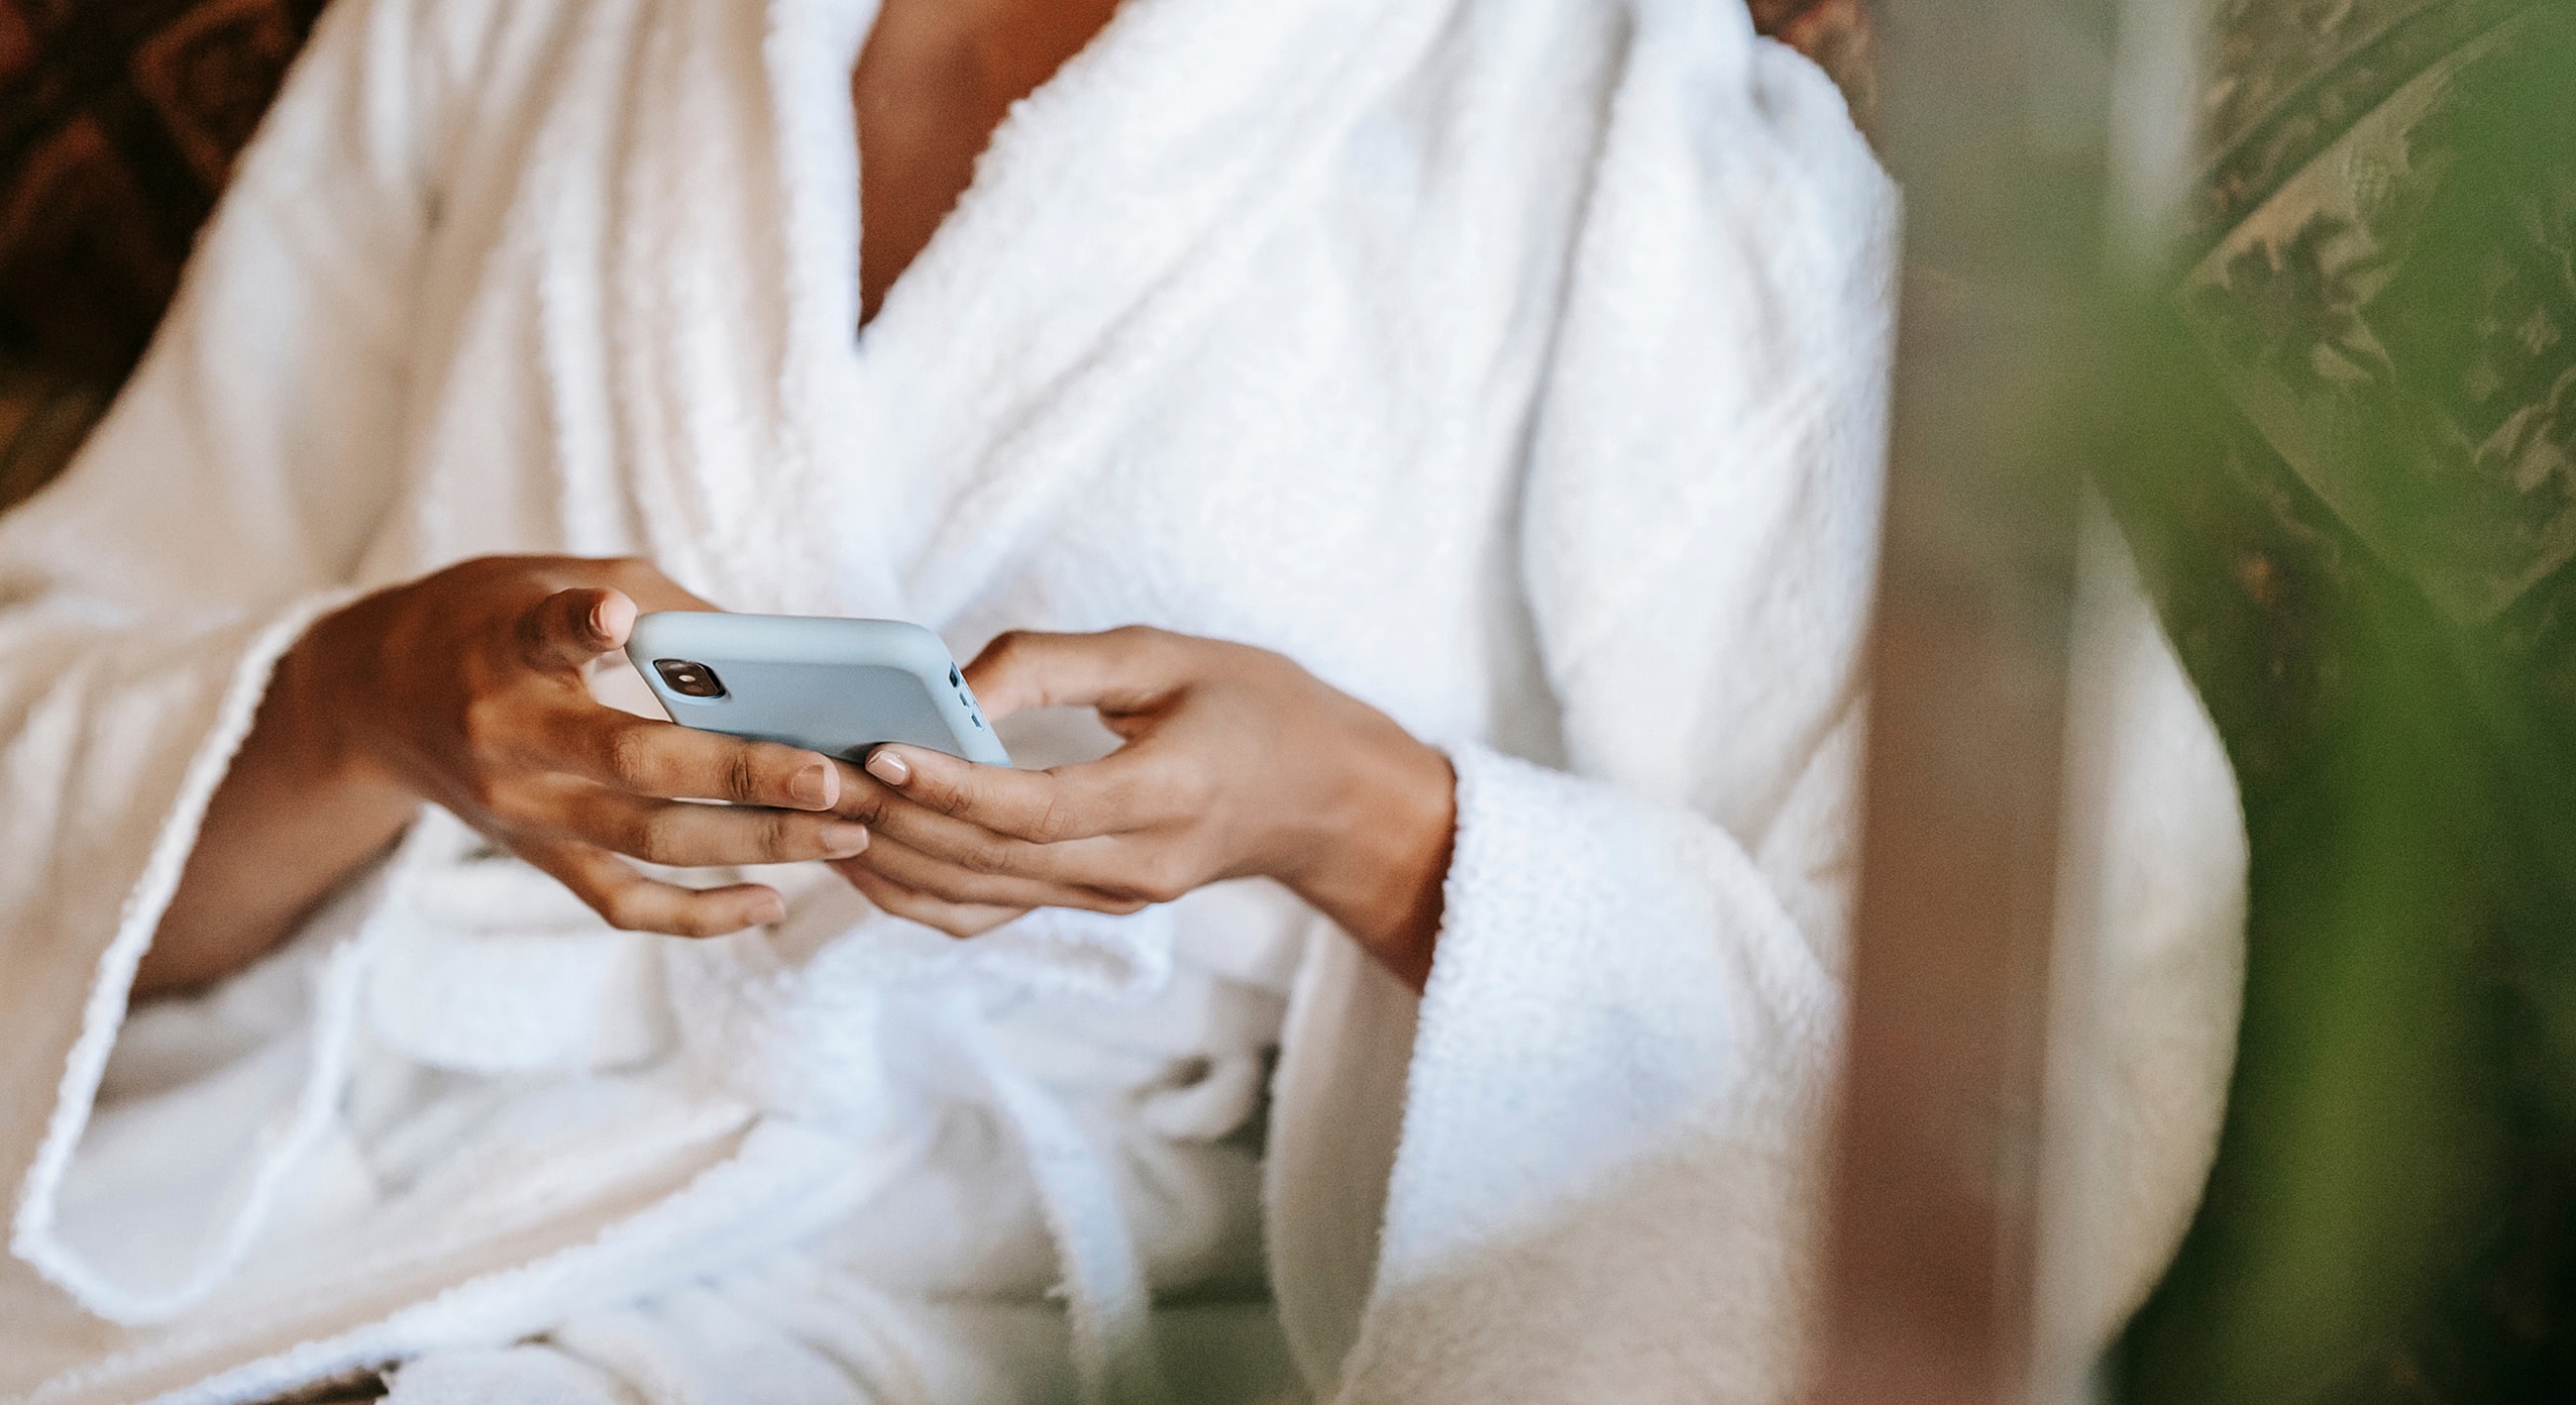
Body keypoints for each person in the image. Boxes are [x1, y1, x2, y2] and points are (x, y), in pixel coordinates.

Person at [0, 0, 2246, 1400]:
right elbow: (59, 717)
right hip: (341, 1203)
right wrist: (365, 701)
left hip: (1031, 1323)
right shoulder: (517, 25)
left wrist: (1367, 823)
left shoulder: (1590, 112)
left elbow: (2059, 971)